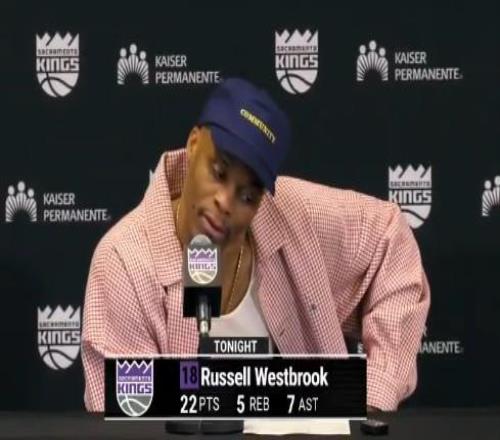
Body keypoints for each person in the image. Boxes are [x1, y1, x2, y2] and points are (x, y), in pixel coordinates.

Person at [82, 78, 430, 412]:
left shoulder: (294, 216)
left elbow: (390, 236)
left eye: (247, 196)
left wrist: (373, 392)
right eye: (218, 173)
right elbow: (129, 419)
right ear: (193, 144)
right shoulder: (123, 263)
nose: (225, 202)